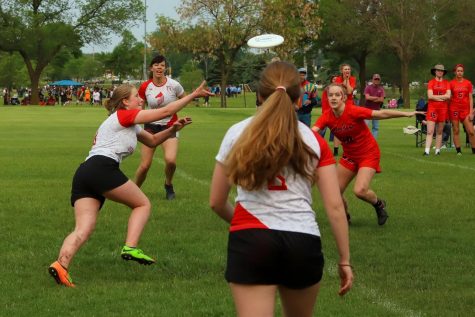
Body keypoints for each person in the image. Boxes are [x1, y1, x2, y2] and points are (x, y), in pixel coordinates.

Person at [210, 61, 353, 317]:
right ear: (299, 100)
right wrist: (344, 260)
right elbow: (334, 206)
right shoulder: (313, 138)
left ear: (259, 95)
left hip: (252, 241)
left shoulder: (237, 132)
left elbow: (216, 201)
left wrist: (247, 227)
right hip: (302, 239)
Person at [48, 82, 212, 287]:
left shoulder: (127, 123)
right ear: (125, 102)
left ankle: (61, 265)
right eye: (137, 96)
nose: (141, 99)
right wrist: (194, 94)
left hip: (85, 172)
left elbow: (152, 141)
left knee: (83, 228)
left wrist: (172, 130)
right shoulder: (123, 116)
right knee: (142, 204)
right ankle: (131, 246)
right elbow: (168, 110)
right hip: (102, 167)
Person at [311, 84, 422, 225]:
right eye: (330, 95)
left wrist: (406, 113)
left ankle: (379, 204)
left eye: (337, 95)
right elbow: (311, 133)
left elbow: (380, 114)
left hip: (368, 153)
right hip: (350, 156)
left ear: (344, 98)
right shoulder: (327, 116)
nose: (333, 98)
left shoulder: (353, 111)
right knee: (334, 191)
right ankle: (345, 218)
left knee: (360, 190)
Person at [134, 55, 186, 200]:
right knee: (144, 166)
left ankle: (168, 185)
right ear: (151, 68)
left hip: (170, 127)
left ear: (165, 68)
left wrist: (175, 112)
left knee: (170, 161)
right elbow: (140, 106)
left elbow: (184, 99)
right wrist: (136, 121)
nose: (159, 68)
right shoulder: (145, 86)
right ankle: (133, 191)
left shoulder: (174, 85)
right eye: (156, 65)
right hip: (150, 127)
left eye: (162, 65)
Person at [424, 64, 451, 156]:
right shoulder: (431, 82)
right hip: (432, 108)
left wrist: (437, 97)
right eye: (438, 70)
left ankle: (437, 150)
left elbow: (448, 96)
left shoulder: (447, 83)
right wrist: (441, 98)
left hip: (443, 109)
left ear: (443, 72)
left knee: (440, 131)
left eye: (441, 71)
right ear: (435, 71)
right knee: (430, 131)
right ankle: (427, 151)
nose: (440, 72)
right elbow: (430, 96)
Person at [449, 64, 475, 155]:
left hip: (465, 110)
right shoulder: (451, 83)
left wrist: (471, 112)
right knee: (456, 130)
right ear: (455, 72)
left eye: (461, 71)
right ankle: (458, 151)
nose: (459, 72)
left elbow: (471, 98)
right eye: (458, 71)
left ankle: (474, 150)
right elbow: (449, 97)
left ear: (463, 72)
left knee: (471, 131)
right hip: (454, 109)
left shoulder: (468, 83)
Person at [364, 74, 385, 139]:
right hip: (368, 110)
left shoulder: (381, 89)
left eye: (378, 79)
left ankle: (373, 141)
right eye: (375, 79)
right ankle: (365, 140)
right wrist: (377, 98)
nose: (376, 80)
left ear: (379, 80)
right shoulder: (368, 87)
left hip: (376, 110)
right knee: (365, 126)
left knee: (375, 127)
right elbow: (367, 97)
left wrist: (372, 98)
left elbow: (382, 99)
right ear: (372, 80)